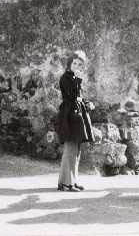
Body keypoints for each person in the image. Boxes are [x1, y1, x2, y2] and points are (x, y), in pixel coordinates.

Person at [57, 49, 93, 192]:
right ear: (70, 63)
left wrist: (87, 103)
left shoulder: (75, 78)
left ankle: (72, 181)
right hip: (69, 115)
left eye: (79, 64)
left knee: (76, 150)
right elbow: (71, 96)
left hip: (77, 115)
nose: (77, 66)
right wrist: (78, 81)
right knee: (70, 149)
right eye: (75, 63)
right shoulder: (65, 78)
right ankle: (65, 183)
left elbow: (79, 97)